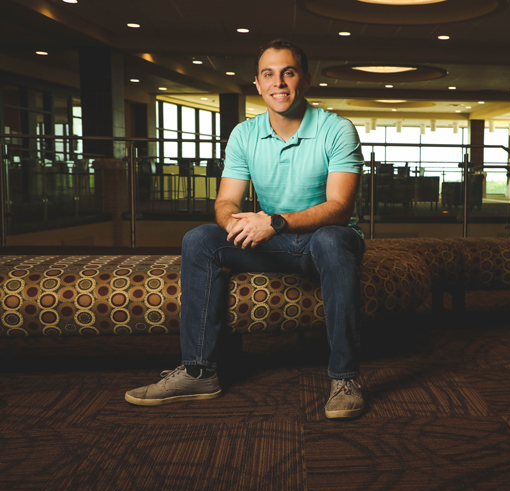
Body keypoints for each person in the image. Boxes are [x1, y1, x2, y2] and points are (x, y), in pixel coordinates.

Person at [125, 39, 366, 419]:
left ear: (303, 79)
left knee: (335, 239)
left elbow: (339, 208)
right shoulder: (244, 135)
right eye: (268, 75)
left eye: (288, 73)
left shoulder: (337, 129)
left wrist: (274, 221)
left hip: (324, 241)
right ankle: (199, 371)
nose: (279, 83)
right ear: (257, 83)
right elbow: (225, 203)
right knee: (200, 239)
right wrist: (240, 226)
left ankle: (345, 377)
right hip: (274, 240)